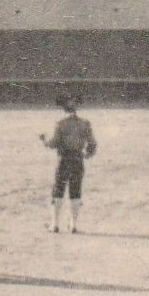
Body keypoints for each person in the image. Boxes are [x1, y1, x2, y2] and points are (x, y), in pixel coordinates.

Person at [40, 95, 97, 233]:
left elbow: (53, 143)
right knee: (75, 191)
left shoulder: (60, 123)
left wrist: (44, 140)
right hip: (78, 159)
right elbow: (92, 144)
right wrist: (87, 154)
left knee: (58, 190)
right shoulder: (85, 123)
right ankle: (73, 225)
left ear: (63, 109)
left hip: (64, 159)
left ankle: (54, 224)